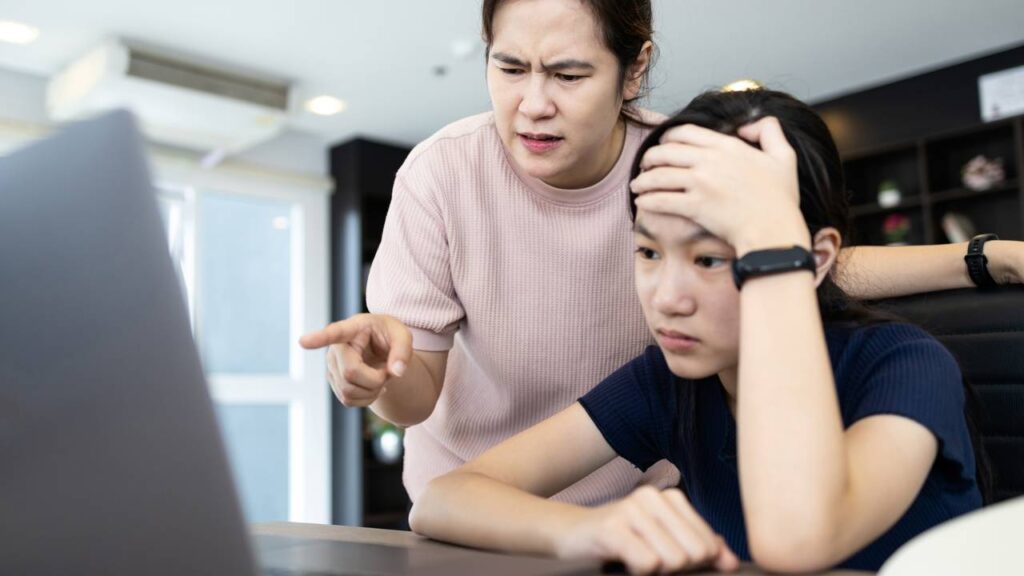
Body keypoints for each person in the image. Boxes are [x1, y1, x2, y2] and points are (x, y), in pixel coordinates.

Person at [299, 0, 1023, 506]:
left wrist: (982, 256)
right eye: (508, 67)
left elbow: (785, 263)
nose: (532, 103)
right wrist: (378, 375)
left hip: (650, 493)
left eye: (569, 74)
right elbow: (413, 394)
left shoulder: (681, 155)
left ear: (634, 69)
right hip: (490, 496)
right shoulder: (440, 174)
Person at [408, 88, 986, 574]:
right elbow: (443, 500)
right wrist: (587, 529)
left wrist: (770, 236)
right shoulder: (672, 378)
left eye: (710, 259)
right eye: (648, 252)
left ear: (810, 258)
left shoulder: (904, 364)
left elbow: (797, 539)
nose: (666, 299)